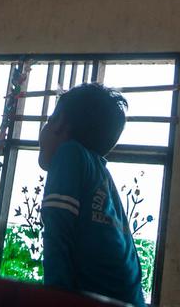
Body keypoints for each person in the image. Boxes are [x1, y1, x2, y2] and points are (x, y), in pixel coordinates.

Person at [38, 83, 145, 306]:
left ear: (60, 125)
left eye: (49, 121)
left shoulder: (69, 154)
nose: (43, 131)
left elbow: (57, 236)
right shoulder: (101, 175)